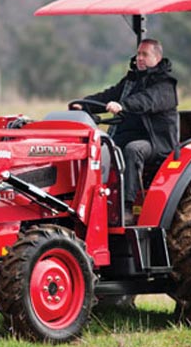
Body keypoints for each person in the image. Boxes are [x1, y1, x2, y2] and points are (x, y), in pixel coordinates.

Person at [75, 38, 178, 224]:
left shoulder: (165, 86)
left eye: (144, 54)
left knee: (133, 149)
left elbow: (147, 101)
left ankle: (127, 207)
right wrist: (83, 104)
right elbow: (108, 95)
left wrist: (123, 105)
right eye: (138, 53)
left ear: (157, 57)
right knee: (98, 147)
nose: (139, 58)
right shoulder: (131, 81)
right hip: (125, 135)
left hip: (156, 142)